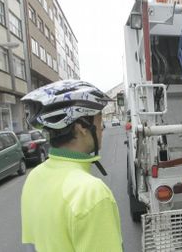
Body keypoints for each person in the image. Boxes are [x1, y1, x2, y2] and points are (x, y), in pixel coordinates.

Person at [21, 80, 123, 252]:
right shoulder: (91, 193)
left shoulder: (34, 177)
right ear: (82, 127)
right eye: (99, 120)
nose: (102, 128)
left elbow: (32, 245)